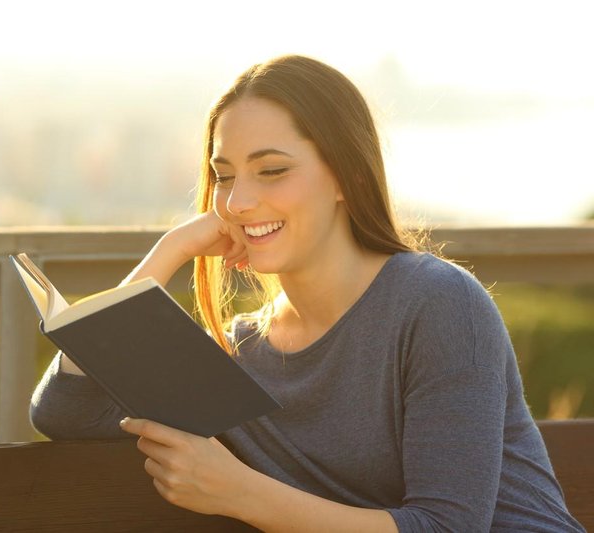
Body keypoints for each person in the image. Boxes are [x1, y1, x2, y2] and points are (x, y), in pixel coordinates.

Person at [29, 55, 584, 532]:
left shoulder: (438, 305)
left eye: (272, 170)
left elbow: (447, 526)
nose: (239, 202)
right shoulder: (240, 355)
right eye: (224, 176)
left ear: (348, 177)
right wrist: (168, 253)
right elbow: (66, 411)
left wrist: (240, 493)